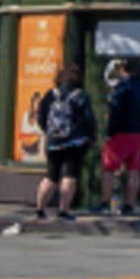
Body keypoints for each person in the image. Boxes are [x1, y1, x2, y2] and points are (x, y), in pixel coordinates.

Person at [101, 58, 140, 221]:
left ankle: (105, 202)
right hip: (139, 132)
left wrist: (110, 131)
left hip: (122, 132)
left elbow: (116, 110)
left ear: (123, 69)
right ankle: (130, 204)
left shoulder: (122, 87)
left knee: (109, 167)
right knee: (134, 167)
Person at [35, 72, 95, 221]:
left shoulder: (50, 95)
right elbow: (89, 119)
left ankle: (40, 209)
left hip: (53, 143)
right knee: (69, 176)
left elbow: (41, 117)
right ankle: (63, 210)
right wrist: (91, 136)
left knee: (50, 177)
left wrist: (48, 133)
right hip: (73, 143)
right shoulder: (81, 96)